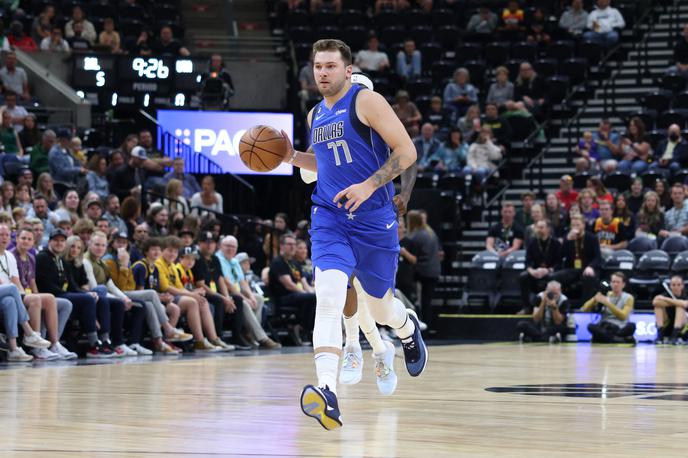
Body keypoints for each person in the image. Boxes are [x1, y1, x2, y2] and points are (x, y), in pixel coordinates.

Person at [281, 39, 426, 430]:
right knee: (328, 297)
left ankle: (406, 327)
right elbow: (325, 164)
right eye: (318, 66)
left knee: (381, 309)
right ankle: (326, 391)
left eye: (330, 66)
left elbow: (407, 152)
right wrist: (291, 157)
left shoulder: (366, 101)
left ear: (347, 71)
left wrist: (368, 185)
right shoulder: (315, 115)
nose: (323, 73)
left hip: (373, 218)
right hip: (329, 216)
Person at [35, 229, 110, 357]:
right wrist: (81, 295)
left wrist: (83, 293)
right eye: (56, 240)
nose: (59, 243)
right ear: (49, 242)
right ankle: (94, 343)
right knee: (86, 300)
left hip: (63, 294)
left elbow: (72, 285)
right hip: (50, 295)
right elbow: (46, 284)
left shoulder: (61, 260)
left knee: (96, 296)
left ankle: (105, 340)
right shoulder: (42, 257)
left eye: (62, 241)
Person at [154, 236, 228, 351]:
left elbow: (179, 287)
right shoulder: (159, 264)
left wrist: (193, 294)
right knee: (192, 302)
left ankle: (213, 338)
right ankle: (199, 341)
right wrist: (192, 294)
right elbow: (165, 287)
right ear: (162, 250)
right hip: (163, 298)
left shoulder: (172, 266)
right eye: (169, 250)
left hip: (173, 298)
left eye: (175, 251)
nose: (172, 254)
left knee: (202, 301)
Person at [83, 231, 144, 356]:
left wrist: (125, 298)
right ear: (89, 244)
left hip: (103, 295)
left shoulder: (102, 263)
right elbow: (94, 288)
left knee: (140, 306)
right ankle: (116, 342)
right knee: (117, 304)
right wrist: (120, 300)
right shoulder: (86, 261)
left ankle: (134, 342)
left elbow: (111, 286)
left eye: (103, 245)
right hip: (91, 296)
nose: (100, 248)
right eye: (97, 245)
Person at [0, 224, 54, 361]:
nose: (4, 238)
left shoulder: (8, 256)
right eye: (1, 234)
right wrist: (19, 293)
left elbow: (16, 280)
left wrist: (23, 295)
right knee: (12, 289)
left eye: (6, 235)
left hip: (5, 294)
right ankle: (29, 332)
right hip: (5, 289)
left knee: (10, 301)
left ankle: (13, 349)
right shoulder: (13, 254)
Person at [130, 237, 190, 354]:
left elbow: (154, 290)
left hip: (149, 299)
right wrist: (160, 296)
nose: (157, 252)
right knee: (156, 304)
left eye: (158, 249)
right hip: (131, 297)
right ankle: (167, 331)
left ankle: (161, 342)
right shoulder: (141, 266)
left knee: (173, 307)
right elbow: (140, 292)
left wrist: (165, 297)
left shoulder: (155, 268)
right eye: (153, 249)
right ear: (146, 251)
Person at [552, 215, 601, 301]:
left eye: (578, 225)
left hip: (588, 268)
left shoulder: (592, 238)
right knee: (555, 277)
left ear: (583, 225)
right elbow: (560, 256)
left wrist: (591, 267)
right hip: (572, 269)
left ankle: (586, 306)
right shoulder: (567, 238)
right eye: (573, 225)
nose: (575, 227)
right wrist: (567, 241)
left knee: (588, 278)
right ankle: (562, 304)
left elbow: (597, 257)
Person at [407, 210, 441, 328]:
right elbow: (440, 253)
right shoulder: (431, 233)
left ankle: (422, 326)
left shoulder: (416, 236)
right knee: (427, 301)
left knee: (420, 301)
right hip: (434, 270)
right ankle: (428, 326)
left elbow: (414, 257)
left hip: (423, 272)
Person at [520, 219, 562, 313]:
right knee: (523, 276)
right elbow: (527, 262)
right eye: (537, 227)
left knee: (553, 277)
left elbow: (559, 263)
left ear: (548, 229)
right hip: (535, 271)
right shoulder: (532, 243)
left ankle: (554, 306)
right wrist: (531, 271)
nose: (539, 230)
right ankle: (526, 307)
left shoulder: (556, 243)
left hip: (550, 271)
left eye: (542, 227)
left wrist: (548, 270)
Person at [581, 272, 635, 343]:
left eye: (618, 282)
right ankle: (618, 339)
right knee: (590, 326)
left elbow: (623, 316)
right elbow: (584, 309)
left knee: (632, 326)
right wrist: (594, 299)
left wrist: (608, 304)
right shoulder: (605, 295)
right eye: (613, 282)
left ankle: (607, 338)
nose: (615, 284)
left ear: (623, 284)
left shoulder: (629, 297)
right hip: (605, 326)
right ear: (610, 283)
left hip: (619, 327)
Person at [652, 275, 688, 344]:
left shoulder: (685, 295)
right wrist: (677, 302)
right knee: (658, 306)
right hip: (667, 325)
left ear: (682, 286)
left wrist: (666, 299)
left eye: (678, 285)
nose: (676, 287)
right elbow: (655, 302)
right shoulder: (666, 294)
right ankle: (660, 335)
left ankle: (675, 336)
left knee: (680, 307)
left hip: (682, 328)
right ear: (670, 286)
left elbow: (685, 304)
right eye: (673, 285)